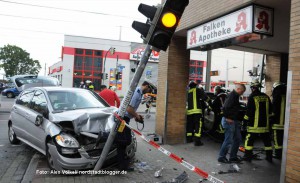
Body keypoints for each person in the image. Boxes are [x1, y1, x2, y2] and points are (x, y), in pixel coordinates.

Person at [116, 81, 153, 171]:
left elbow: (131, 110)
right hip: (122, 119)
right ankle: (121, 165)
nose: (149, 91)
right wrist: (137, 116)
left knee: (124, 141)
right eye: (149, 89)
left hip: (125, 119)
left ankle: (123, 165)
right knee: (123, 141)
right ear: (146, 86)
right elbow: (129, 109)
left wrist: (137, 117)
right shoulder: (137, 92)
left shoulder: (139, 93)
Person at [242, 80, 273, 163]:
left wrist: (244, 121)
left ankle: (247, 156)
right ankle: (269, 157)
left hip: (254, 126)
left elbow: (249, 111)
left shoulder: (252, 97)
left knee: (249, 141)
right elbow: (270, 111)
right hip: (265, 126)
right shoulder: (266, 97)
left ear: (252, 88)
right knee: (267, 141)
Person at [218, 84, 246, 163]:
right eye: (242, 91)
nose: (242, 93)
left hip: (234, 121)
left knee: (237, 139)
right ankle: (221, 157)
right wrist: (227, 117)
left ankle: (233, 157)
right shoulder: (232, 96)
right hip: (229, 121)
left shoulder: (235, 96)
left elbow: (233, 107)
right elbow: (225, 108)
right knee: (228, 140)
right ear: (238, 89)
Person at [186, 80, 212, 146]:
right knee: (198, 125)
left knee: (190, 125)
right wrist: (210, 101)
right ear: (195, 85)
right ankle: (197, 141)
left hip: (189, 111)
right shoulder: (197, 90)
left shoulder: (188, 91)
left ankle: (189, 139)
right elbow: (205, 98)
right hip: (197, 111)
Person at [271, 81, 286, 159]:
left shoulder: (277, 96)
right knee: (283, 139)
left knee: (277, 139)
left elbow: (274, 110)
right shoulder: (286, 95)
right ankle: (282, 153)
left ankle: (278, 154)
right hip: (286, 123)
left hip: (277, 123)